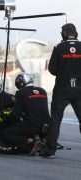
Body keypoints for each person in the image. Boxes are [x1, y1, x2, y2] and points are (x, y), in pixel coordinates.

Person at [47, 23, 81, 157]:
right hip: (80, 87)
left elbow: (52, 69)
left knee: (56, 119)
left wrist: (64, 72)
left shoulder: (59, 47)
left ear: (64, 34)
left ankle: (50, 151)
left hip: (62, 87)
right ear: (75, 33)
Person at [2, 73, 51, 155]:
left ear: (20, 83)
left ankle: (31, 141)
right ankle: (42, 140)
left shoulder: (21, 93)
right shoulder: (43, 91)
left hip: (32, 126)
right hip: (47, 126)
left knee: (6, 133)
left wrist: (6, 118)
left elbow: (16, 114)